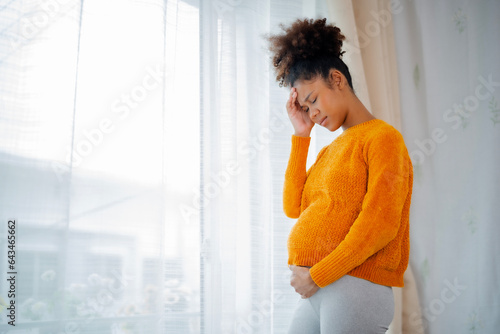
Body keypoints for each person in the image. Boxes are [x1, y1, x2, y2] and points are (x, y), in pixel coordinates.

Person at [267, 18, 413, 333]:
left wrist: (318, 275)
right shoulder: (329, 152)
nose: (312, 113)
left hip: (354, 285)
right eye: (304, 108)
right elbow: (294, 207)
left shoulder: (383, 139)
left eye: (313, 100)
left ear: (337, 79)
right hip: (321, 287)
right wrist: (301, 136)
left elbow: (381, 225)